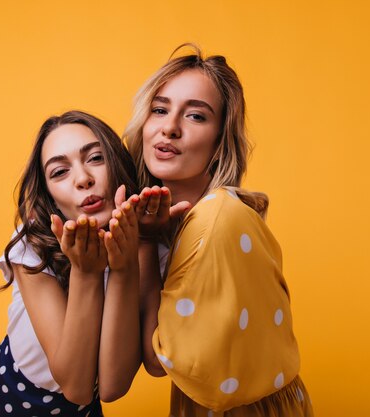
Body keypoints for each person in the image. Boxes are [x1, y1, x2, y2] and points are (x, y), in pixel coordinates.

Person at [125, 44, 314, 416]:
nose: (169, 127)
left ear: (219, 142)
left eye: (196, 116)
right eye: (159, 110)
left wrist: (144, 242)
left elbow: (156, 359)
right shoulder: (191, 220)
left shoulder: (215, 221)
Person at [0, 110, 142, 417]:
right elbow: (75, 384)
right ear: (51, 199)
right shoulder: (32, 243)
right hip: (2, 397)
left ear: (117, 163)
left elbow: (111, 387)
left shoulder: (148, 246)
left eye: (96, 158)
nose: (83, 179)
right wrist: (87, 271)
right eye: (60, 172)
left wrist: (124, 266)